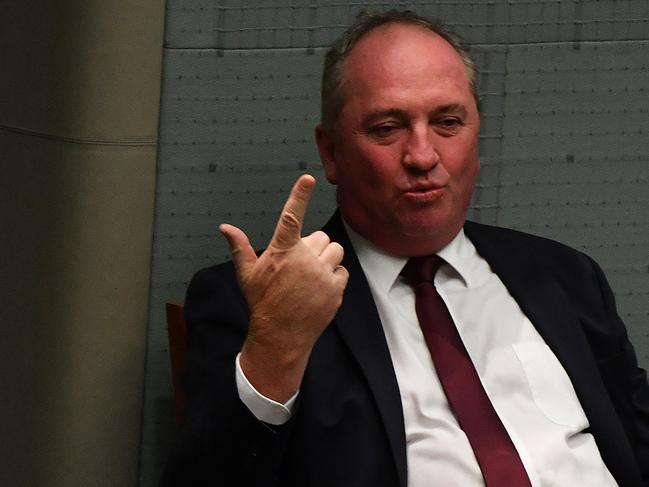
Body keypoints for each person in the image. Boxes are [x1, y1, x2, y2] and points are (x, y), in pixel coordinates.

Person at [161, 10, 649, 487]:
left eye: (448, 122)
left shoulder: (565, 275)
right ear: (331, 152)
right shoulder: (259, 304)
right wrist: (277, 343)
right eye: (387, 128)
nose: (423, 156)